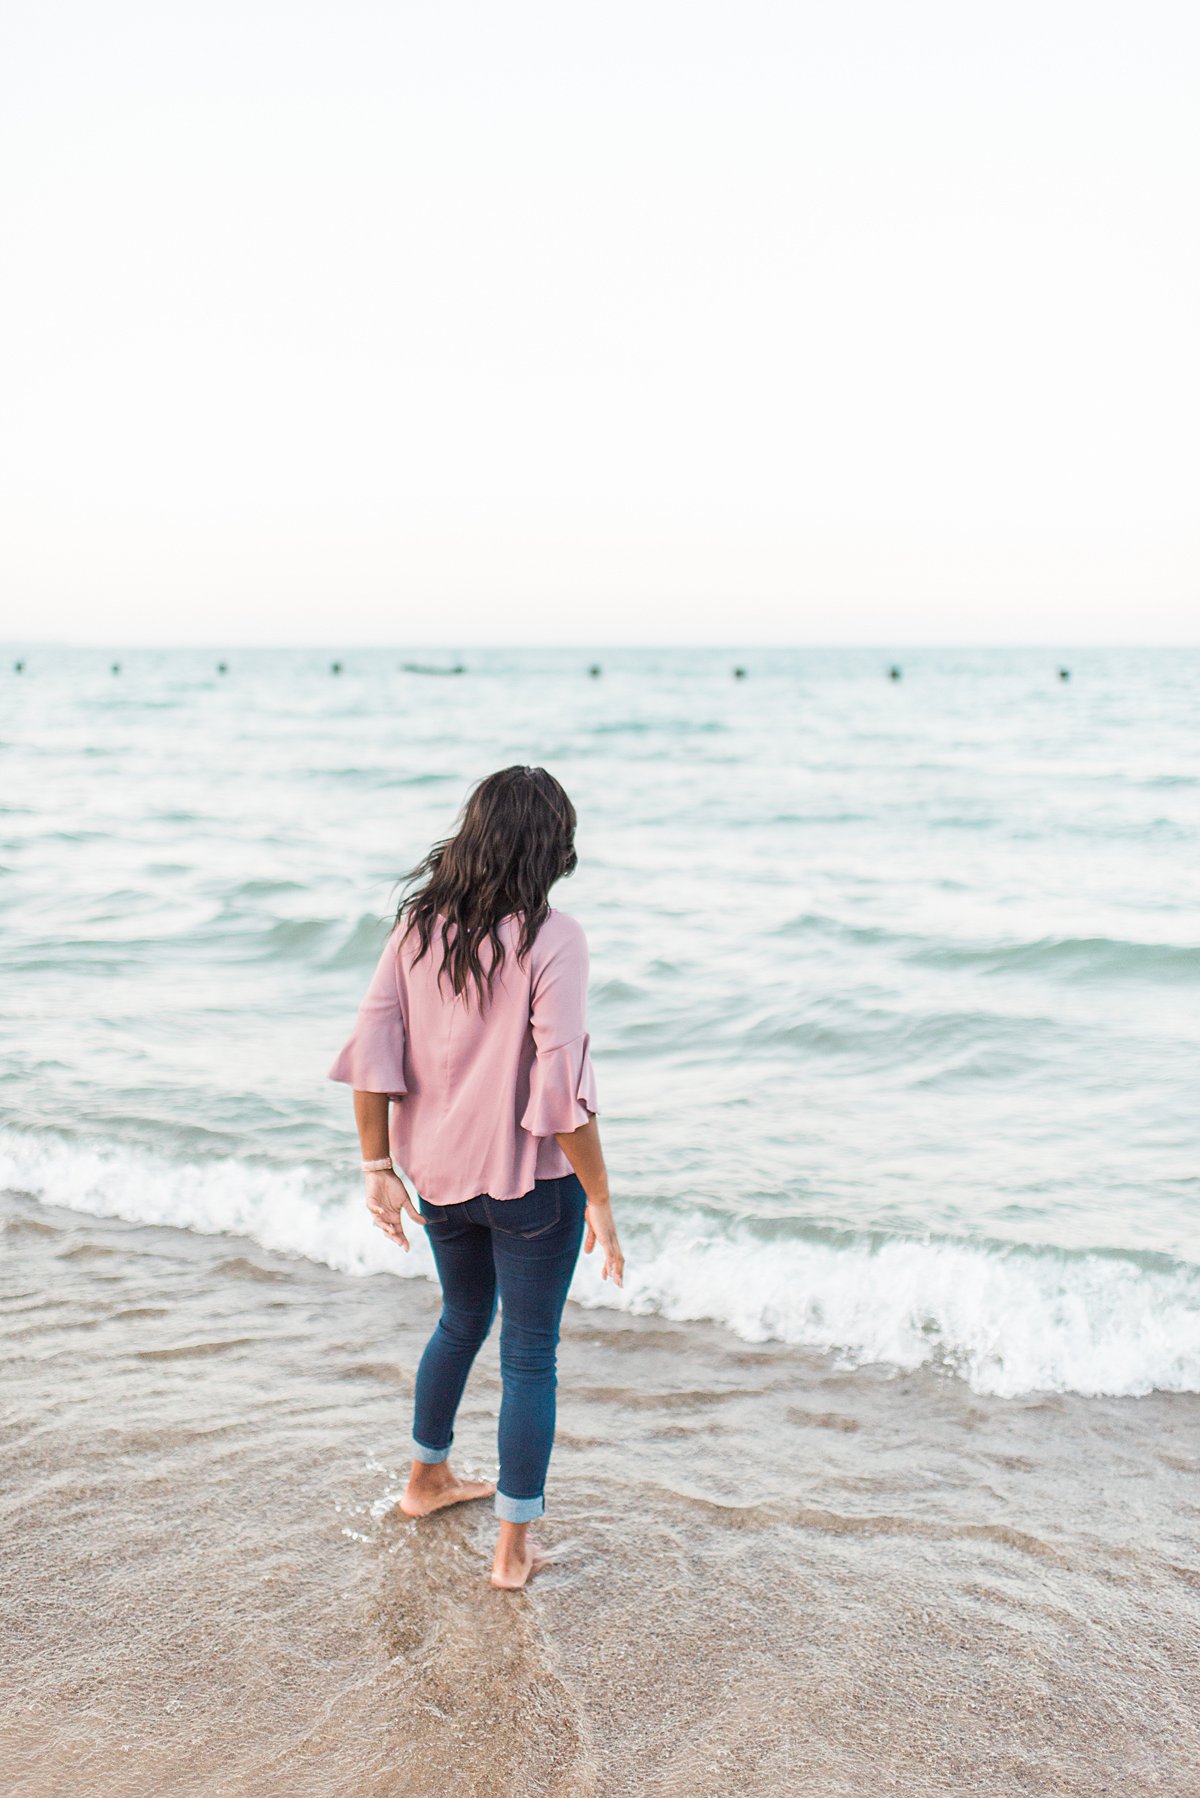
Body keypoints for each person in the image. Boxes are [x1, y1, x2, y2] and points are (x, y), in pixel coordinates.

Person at [327, 765, 623, 1590]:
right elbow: (562, 1096)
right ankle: (511, 1551)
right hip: (530, 1187)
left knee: (461, 1319)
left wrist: (377, 1166)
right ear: (552, 846)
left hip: (440, 1179)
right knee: (529, 1357)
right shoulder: (553, 937)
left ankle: (426, 1482)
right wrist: (600, 1197)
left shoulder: (418, 925)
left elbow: (372, 1049)